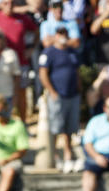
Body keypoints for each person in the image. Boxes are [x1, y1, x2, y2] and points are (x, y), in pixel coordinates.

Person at [38, 25, 80, 174]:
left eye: (65, 33)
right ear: (55, 35)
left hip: (72, 94)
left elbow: (77, 72)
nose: (62, 35)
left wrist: (78, 89)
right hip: (57, 94)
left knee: (69, 128)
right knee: (57, 127)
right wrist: (52, 91)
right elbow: (43, 73)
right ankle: (56, 157)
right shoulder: (49, 52)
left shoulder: (71, 52)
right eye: (60, 33)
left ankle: (68, 155)